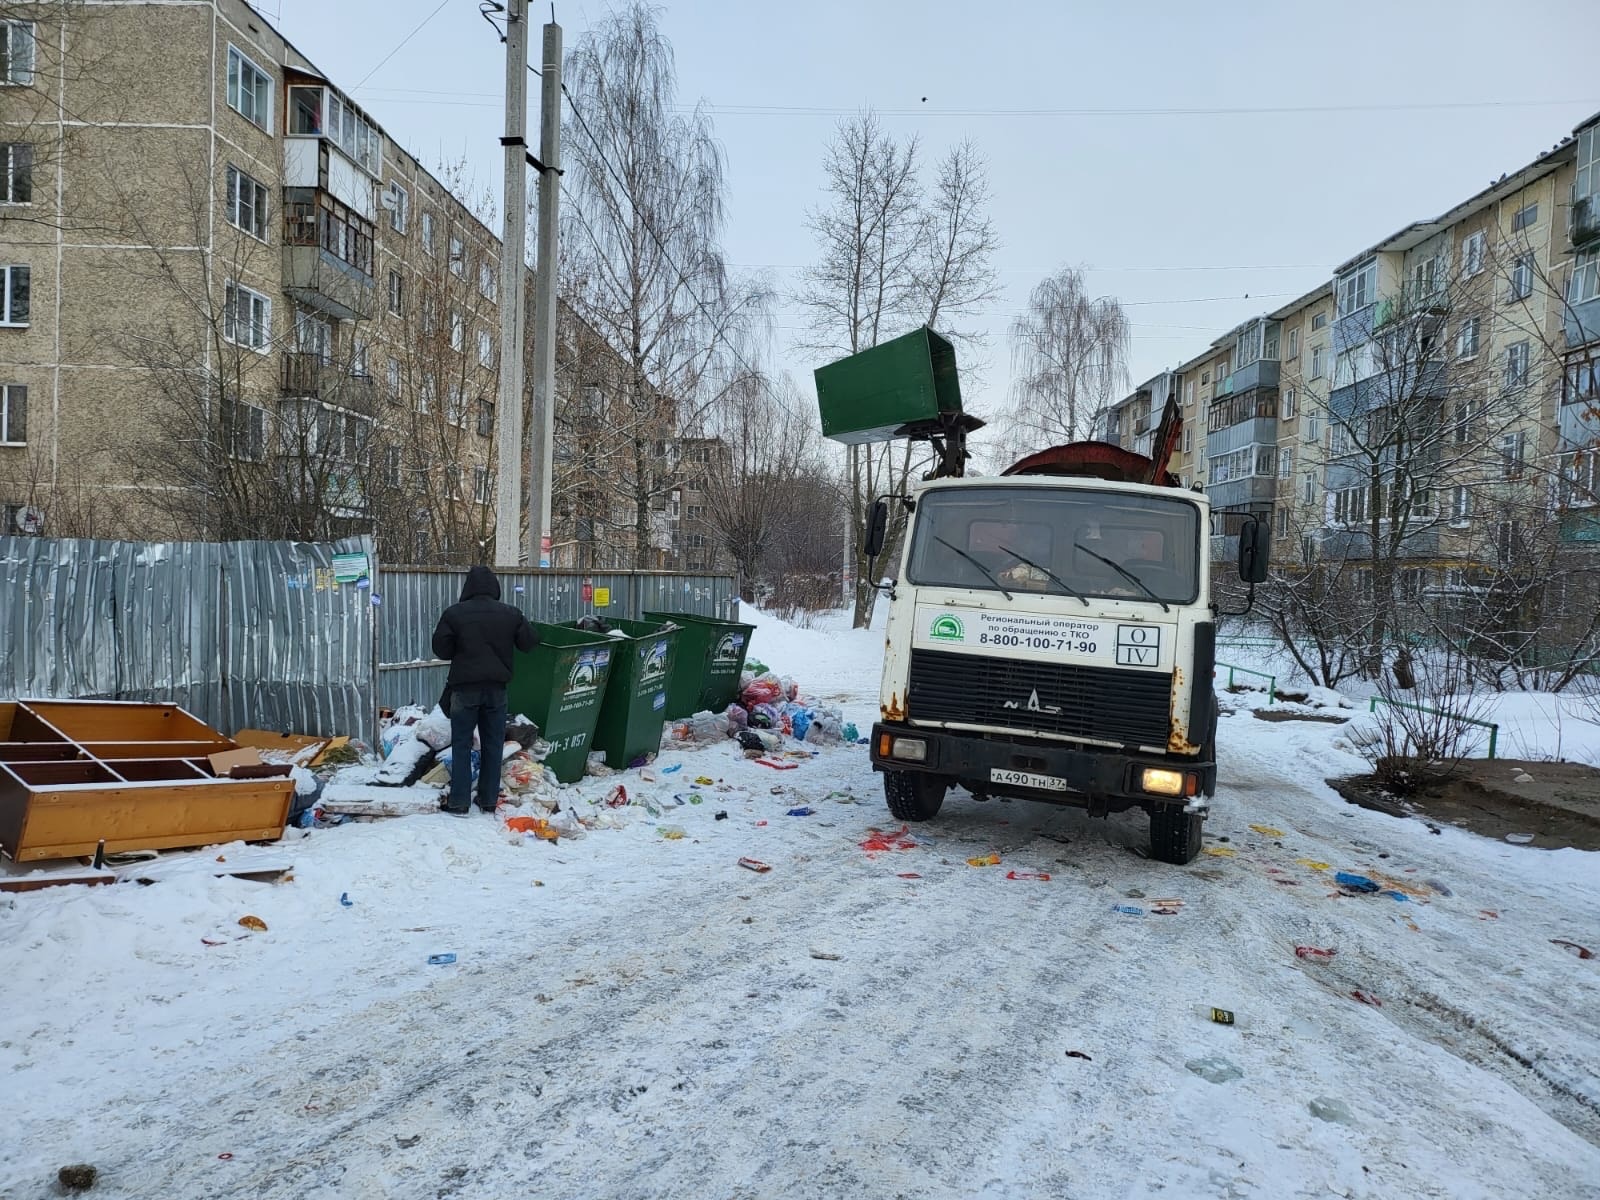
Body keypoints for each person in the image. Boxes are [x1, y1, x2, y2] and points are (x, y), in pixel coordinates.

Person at [430, 565, 538, 816]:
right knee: (492, 744)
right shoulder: (510, 613)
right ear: (495, 587)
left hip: (464, 690)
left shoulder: (454, 614)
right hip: (496, 690)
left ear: (468, 587)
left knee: (461, 744)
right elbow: (530, 642)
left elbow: (441, 650)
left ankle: (459, 801)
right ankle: (488, 799)